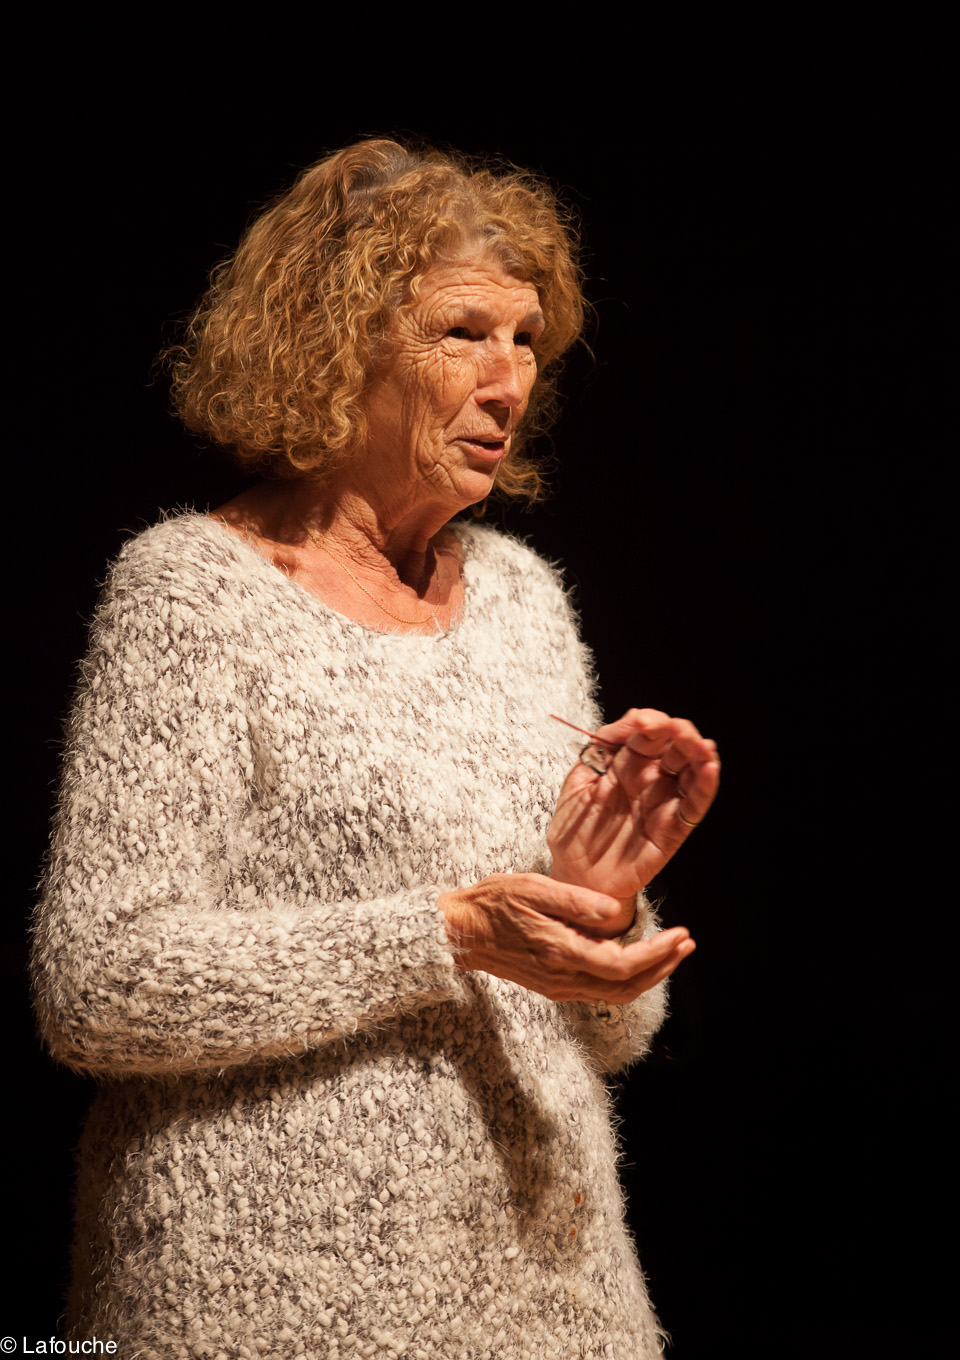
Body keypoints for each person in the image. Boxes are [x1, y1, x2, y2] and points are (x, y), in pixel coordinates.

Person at [31, 138, 720, 1357]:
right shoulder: (194, 594)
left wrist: (599, 903)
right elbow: (100, 985)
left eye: (525, 340)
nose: (509, 381)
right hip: (268, 1301)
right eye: (463, 333)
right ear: (335, 347)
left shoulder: (521, 599)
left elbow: (609, 1040)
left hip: (556, 1307)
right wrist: (443, 934)